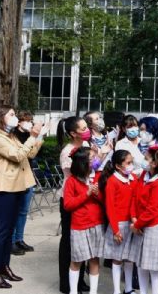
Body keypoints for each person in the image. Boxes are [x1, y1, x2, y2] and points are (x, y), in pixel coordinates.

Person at [0, 106, 44, 289]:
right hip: (4, 189)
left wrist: (37, 136)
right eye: (11, 115)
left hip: (17, 186)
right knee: (1, 232)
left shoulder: (11, 136)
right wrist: (32, 136)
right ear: (1, 118)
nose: (15, 117)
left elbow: (30, 153)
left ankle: (4, 266)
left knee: (9, 231)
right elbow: (18, 156)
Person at [128, 144, 158, 294]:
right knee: (141, 264)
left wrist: (138, 224)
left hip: (153, 227)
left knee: (154, 266)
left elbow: (153, 209)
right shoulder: (144, 175)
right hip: (139, 224)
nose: (143, 161)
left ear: (155, 163)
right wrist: (134, 217)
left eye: (146, 158)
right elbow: (135, 196)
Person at [57, 116, 91, 294]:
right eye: (83, 127)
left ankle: (80, 281)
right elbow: (77, 174)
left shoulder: (84, 147)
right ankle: (67, 283)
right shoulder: (68, 152)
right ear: (72, 133)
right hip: (71, 199)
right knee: (69, 242)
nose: (87, 130)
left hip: (84, 198)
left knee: (83, 240)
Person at [63, 146, 103, 294]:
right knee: (77, 260)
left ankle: (93, 291)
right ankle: (73, 291)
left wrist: (98, 194)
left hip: (97, 224)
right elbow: (67, 204)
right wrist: (86, 193)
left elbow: (105, 201)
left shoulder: (98, 176)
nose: (96, 160)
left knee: (94, 259)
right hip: (80, 226)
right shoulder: (71, 181)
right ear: (82, 162)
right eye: (92, 158)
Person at [99, 150, 137, 294]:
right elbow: (110, 208)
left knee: (129, 259)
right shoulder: (112, 182)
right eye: (128, 163)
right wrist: (115, 230)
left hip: (131, 224)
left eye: (131, 162)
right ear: (118, 166)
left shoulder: (133, 178)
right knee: (117, 259)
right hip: (119, 225)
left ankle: (128, 289)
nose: (131, 165)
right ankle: (116, 290)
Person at [10, 111, 37, 255]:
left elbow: (33, 154)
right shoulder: (12, 136)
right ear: (19, 122)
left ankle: (19, 239)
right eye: (27, 120)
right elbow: (24, 154)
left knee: (23, 211)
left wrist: (38, 138)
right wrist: (35, 138)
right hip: (17, 177)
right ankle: (12, 241)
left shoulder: (29, 136)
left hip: (28, 176)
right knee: (15, 210)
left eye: (31, 120)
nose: (30, 123)